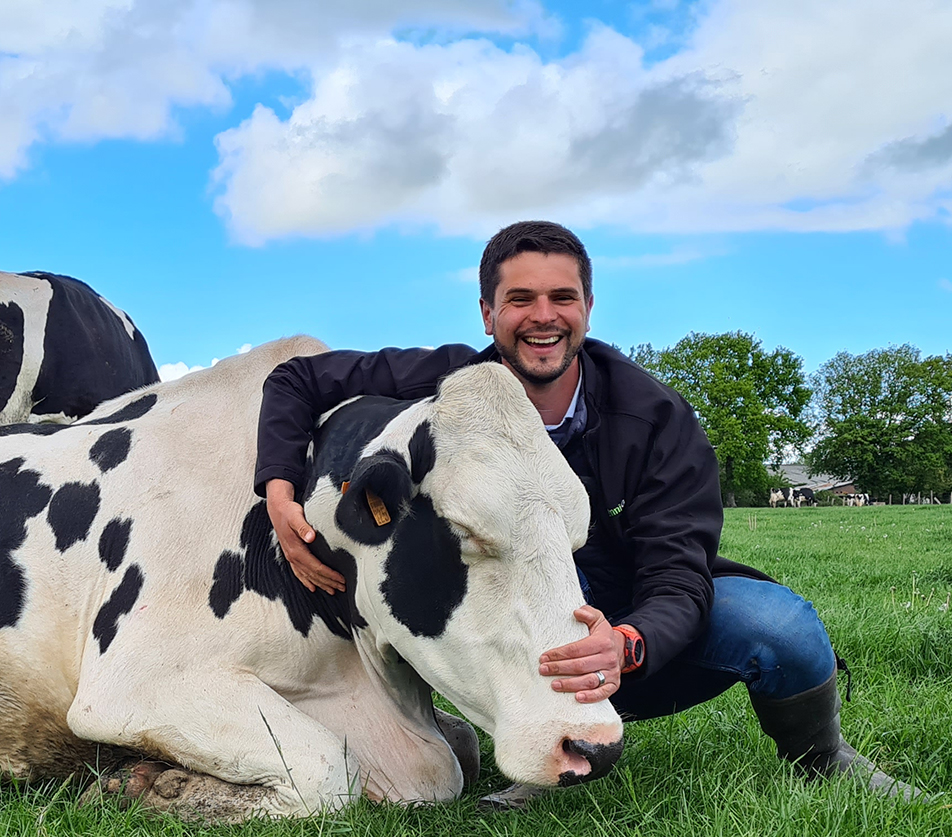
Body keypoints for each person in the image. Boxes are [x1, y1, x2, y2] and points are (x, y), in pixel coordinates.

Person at [255, 220, 923, 805]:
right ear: (488, 314)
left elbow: (678, 575)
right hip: (514, 611)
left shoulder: (657, 419)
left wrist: (628, 642)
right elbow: (297, 378)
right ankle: (530, 745)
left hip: (630, 623)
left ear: (588, 309)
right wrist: (279, 491)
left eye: (561, 298)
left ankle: (823, 758)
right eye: (520, 299)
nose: (542, 316)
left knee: (778, 624)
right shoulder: (456, 384)